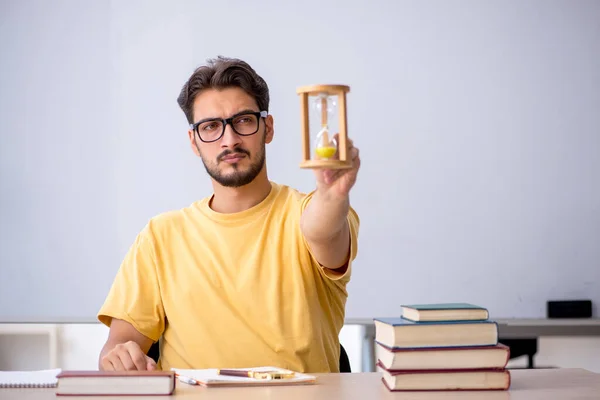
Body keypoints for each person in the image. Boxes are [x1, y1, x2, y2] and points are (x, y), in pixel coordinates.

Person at [97, 56, 361, 373]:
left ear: (268, 127)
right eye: (211, 126)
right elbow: (117, 347)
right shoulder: (161, 236)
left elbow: (323, 230)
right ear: (194, 142)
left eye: (244, 120)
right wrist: (119, 357)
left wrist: (332, 195)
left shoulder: (306, 213)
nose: (229, 139)